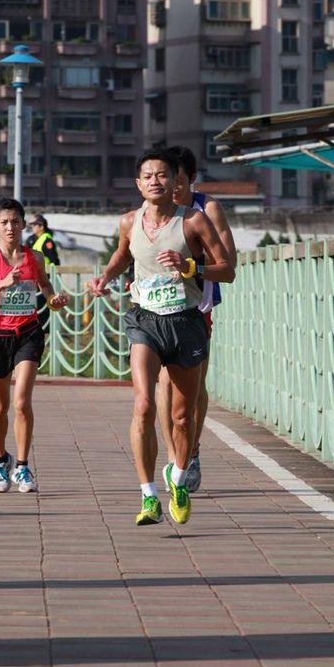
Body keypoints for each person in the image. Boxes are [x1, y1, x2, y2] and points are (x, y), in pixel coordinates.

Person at [89, 150, 235, 526]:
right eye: (148, 176)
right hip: (145, 320)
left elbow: (227, 270)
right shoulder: (128, 221)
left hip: (186, 320)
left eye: (162, 175)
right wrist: (105, 276)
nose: (155, 181)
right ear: (138, 184)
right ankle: (148, 495)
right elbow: (123, 254)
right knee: (143, 405)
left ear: (175, 182)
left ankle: (179, 478)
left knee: (182, 417)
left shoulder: (194, 221)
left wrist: (191, 267)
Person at [0, 197, 68, 495]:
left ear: (24, 224)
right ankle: (2, 461)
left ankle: (22, 466)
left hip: (28, 333)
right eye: (4, 222)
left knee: (22, 401)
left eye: (15, 221)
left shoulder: (34, 257)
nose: (10, 227)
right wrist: (1, 284)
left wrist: (54, 300)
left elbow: (45, 286)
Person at [157, 146, 237, 492]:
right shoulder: (152, 209)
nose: (170, 187)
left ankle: (192, 450)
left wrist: (191, 266)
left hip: (197, 308)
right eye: (164, 178)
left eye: (177, 180)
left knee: (194, 386)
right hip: (158, 307)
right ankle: (174, 456)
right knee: (163, 383)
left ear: (191, 179)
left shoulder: (208, 209)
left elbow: (228, 264)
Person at [27, 214, 60, 329]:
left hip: (46, 276)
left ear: (41, 226)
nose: (33, 227)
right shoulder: (33, 239)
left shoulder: (47, 240)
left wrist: (53, 276)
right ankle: (38, 325)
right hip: (35, 276)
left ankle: (45, 328)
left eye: (35, 225)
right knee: (36, 302)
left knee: (43, 302)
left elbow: (53, 260)